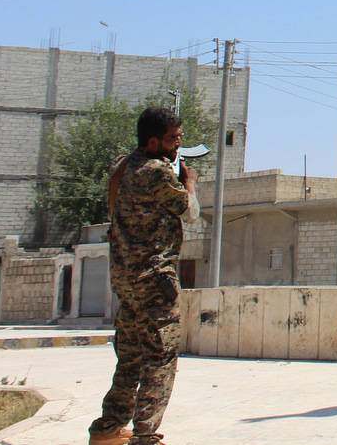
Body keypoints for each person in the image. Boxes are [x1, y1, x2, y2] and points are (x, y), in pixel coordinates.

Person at [88, 106, 200, 445]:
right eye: (172, 139)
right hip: (154, 281)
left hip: (125, 278)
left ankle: (109, 428)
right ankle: (145, 436)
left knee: (130, 357)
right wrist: (189, 182)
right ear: (153, 142)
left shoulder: (122, 166)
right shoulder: (156, 173)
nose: (177, 145)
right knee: (160, 358)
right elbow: (190, 212)